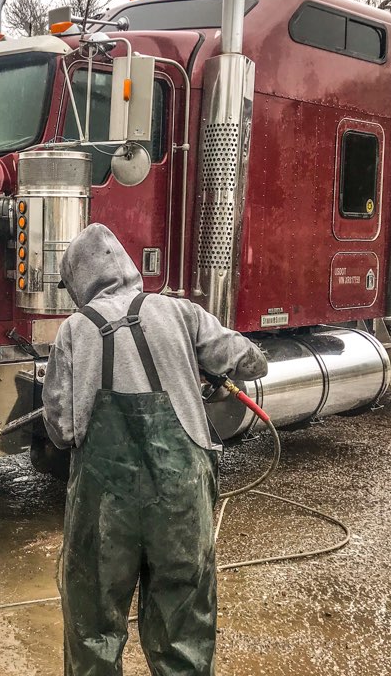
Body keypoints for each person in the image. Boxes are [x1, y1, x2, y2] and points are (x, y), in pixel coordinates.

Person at [42, 223, 268, 676]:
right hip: (181, 503)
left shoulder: (73, 331)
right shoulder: (181, 312)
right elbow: (252, 362)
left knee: (93, 631)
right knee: (182, 633)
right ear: (124, 265)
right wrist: (204, 373)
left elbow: (62, 431)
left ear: (79, 281)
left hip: (106, 511)